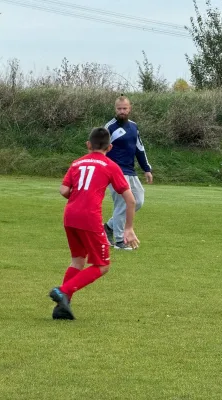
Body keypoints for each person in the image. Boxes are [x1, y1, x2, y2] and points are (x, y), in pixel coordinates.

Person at [48, 127, 139, 320]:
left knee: (78, 261)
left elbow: (63, 190)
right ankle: (63, 290)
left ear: (88, 145)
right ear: (110, 147)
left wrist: (78, 197)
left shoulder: (76, 163)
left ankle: (62, 307)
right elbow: (130, 200)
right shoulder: (110, 165)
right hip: (89, 217)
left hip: (70, 216)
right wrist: (128, 229)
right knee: (102, 265)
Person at [103, 95, 152, 250]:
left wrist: (146, 169)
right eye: (119, 109)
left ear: (130, 108)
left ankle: (108, 227)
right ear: (115, 109)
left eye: (125, 108)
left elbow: (140, 148)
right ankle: (119, 240)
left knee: (137, 200)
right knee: (122, 204)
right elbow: (101, 150)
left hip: (130, 170)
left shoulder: (133, 126)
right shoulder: (109, 128)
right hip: (115, 171)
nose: (122, 111)